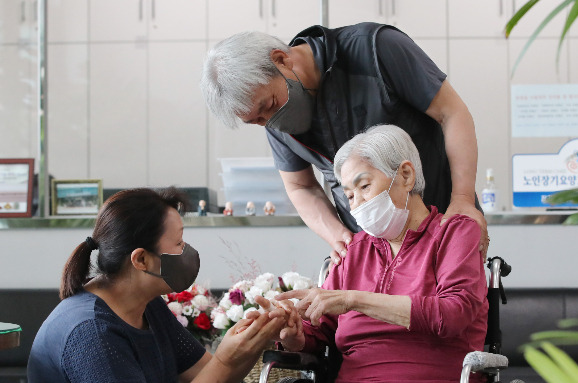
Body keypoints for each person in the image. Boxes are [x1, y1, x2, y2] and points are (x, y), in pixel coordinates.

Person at [201, 23, 489, 265]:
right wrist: (341, 239)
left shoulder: (376, 50)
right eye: (257, 121)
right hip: (374, 253)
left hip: (444, 225)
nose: (270, 122)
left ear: (281, 60)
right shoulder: (273, 120)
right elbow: (300, 186)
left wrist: (462, 200)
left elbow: (451, 113)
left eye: (271, 105)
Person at [251, 125, 489, 382]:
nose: (357, 204)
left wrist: (355, 300)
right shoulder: (355, 250)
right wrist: (294, 334)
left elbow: (453, 314)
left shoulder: (453, 233)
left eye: (364, 186)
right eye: (350, 195)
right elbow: (320, 331)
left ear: (406, 176)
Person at [27, 188, 287, 383]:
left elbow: (206, 374)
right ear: (141, 259)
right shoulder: (92, 334)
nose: (187, 251)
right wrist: (225, 358)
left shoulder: (147, 306)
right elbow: (218, 369)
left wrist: (253, 340)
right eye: (178, 243)